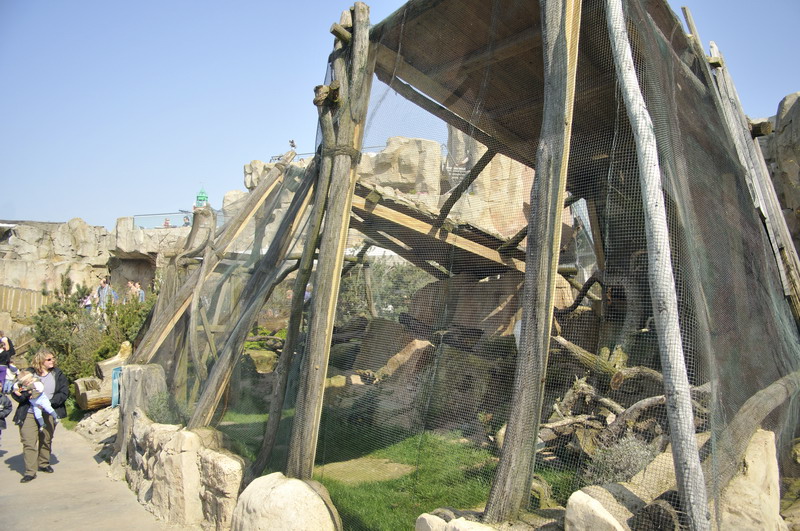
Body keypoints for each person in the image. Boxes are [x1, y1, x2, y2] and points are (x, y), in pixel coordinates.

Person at [12, 350, 68, 483]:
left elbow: (64, 392)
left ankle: (43, 463)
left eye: (53, 358)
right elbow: (16, 391)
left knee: (46, 439)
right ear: (40, 360)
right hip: (29, 412)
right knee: (29, 442)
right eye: (49, 359)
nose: (52, 361)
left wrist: (50, 403)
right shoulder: (27, 373)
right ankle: (30, 472)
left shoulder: (57, 374)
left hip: (48, 411)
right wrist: (23, 395)